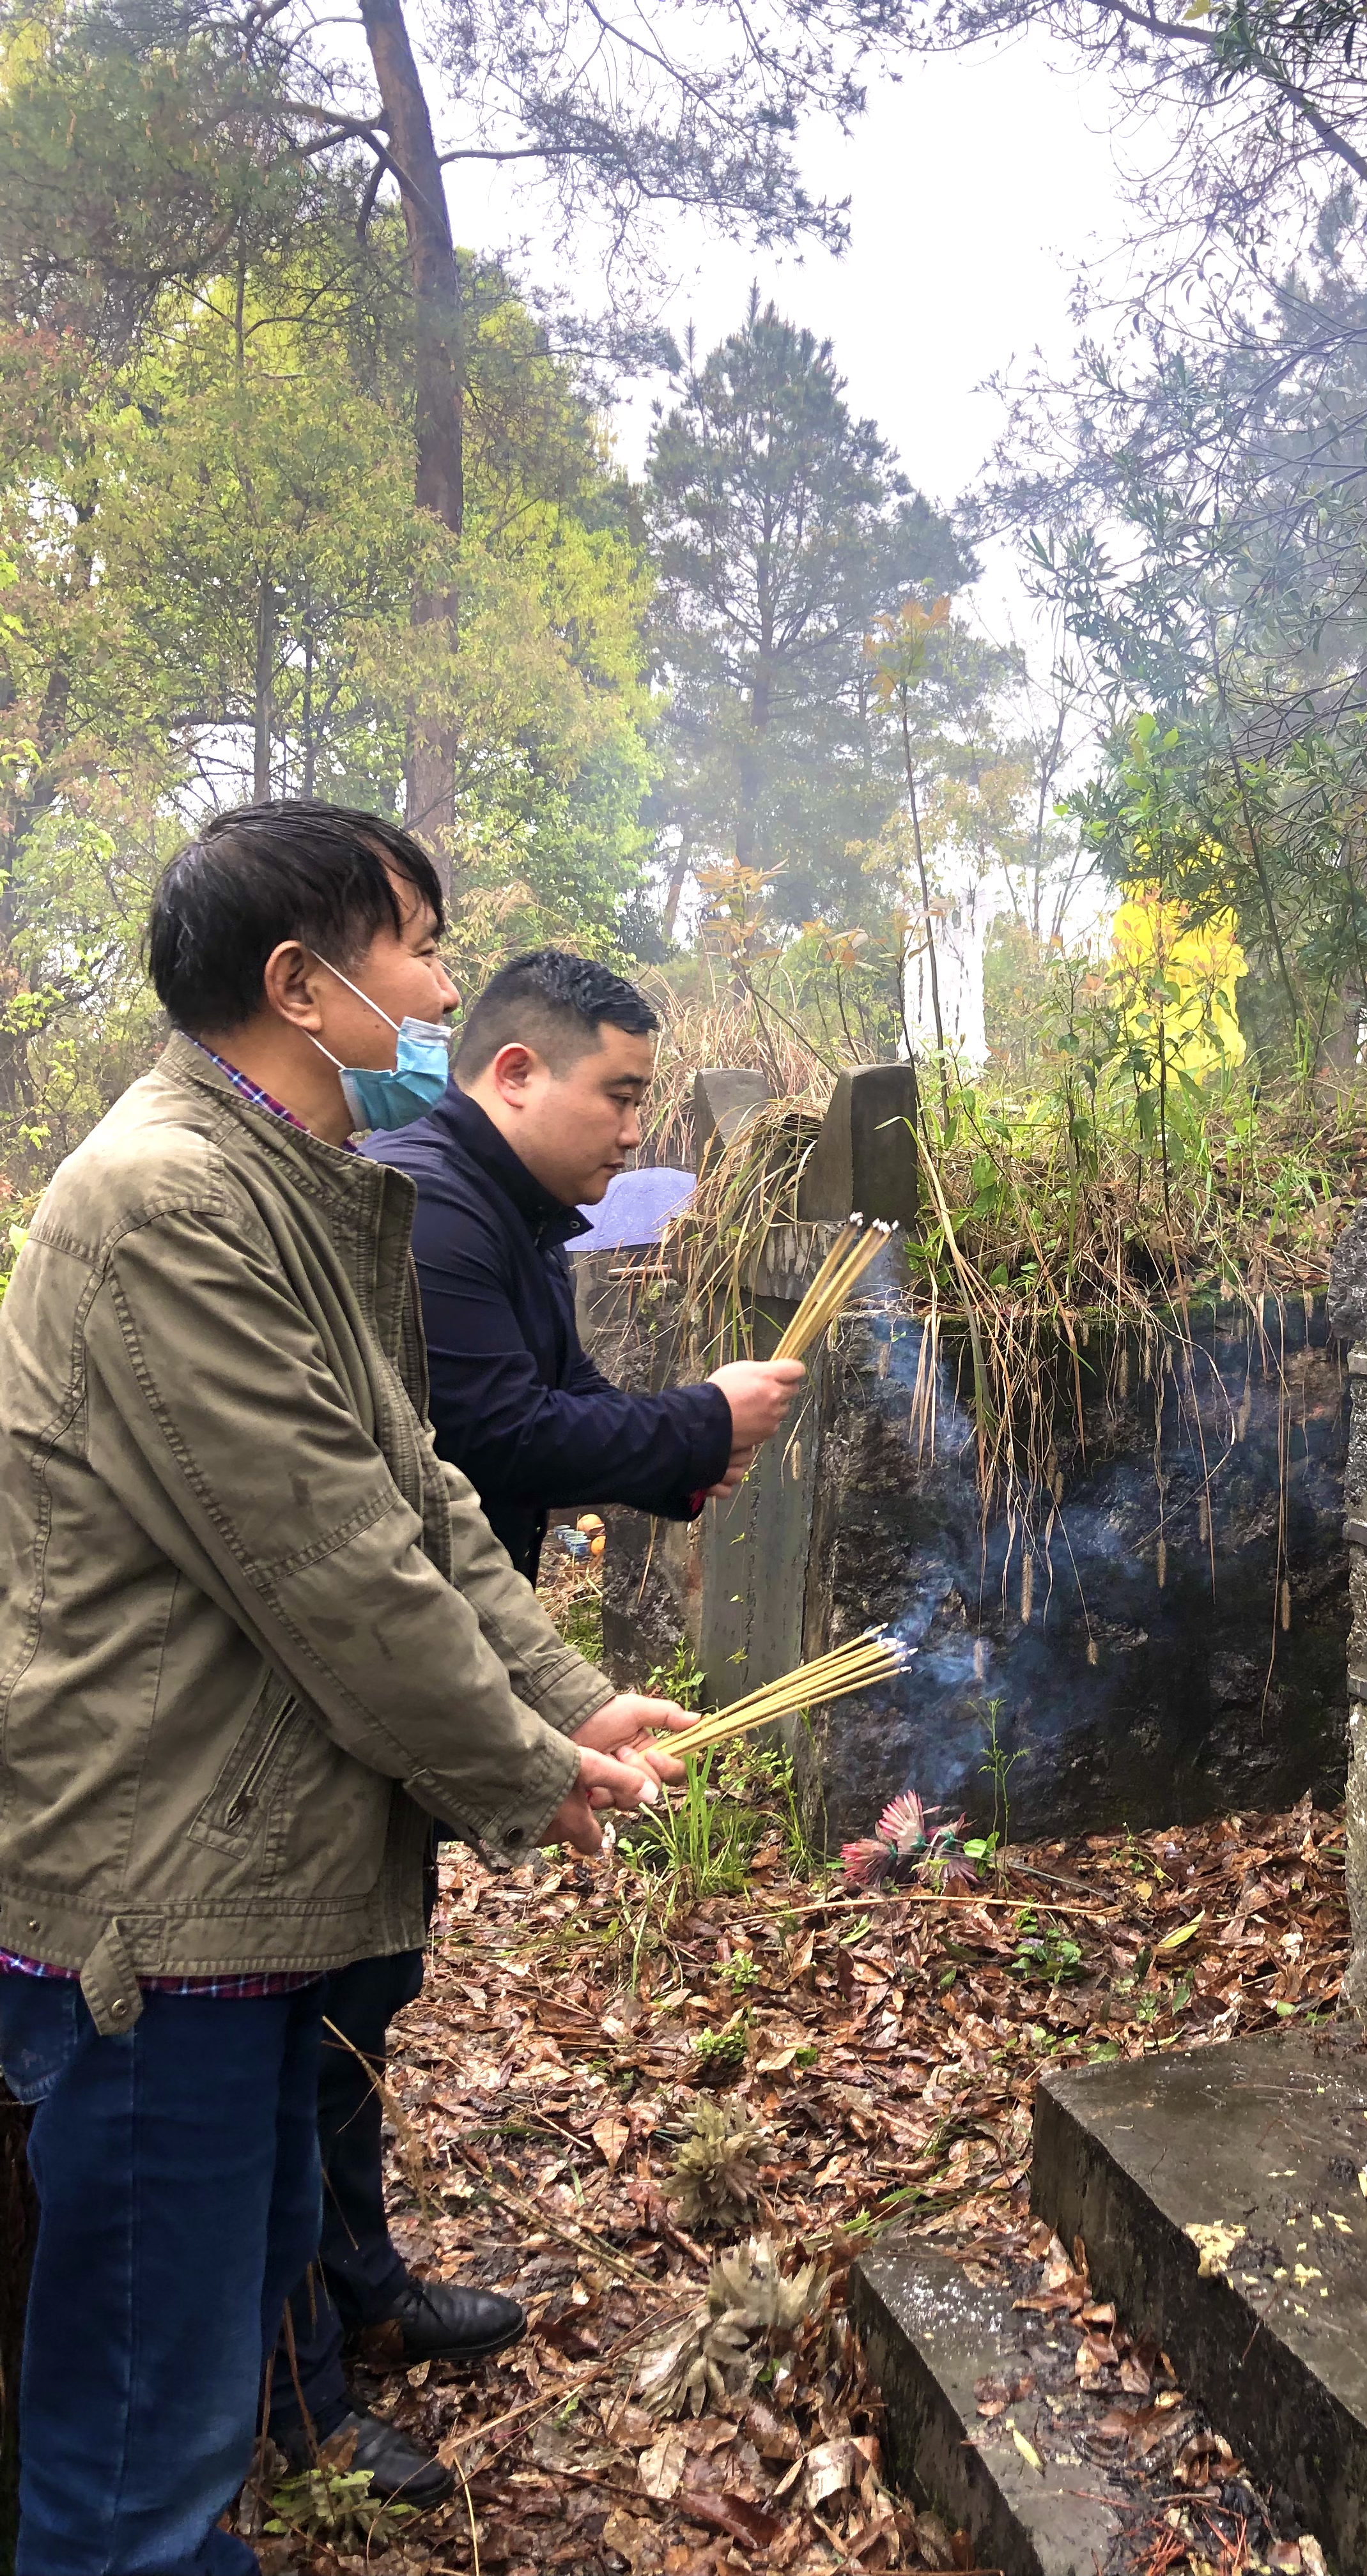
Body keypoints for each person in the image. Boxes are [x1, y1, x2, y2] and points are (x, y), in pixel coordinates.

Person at [0, 801, 682, 2575]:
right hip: (163, 1889)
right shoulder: (164, 1203)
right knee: (138, 2433)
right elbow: (329, 1565)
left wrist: (564, 1699)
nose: (443, 992)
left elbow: (422, 1497)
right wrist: (524, 1772)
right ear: (303, 986)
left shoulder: (300, 1188)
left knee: (228, 2303)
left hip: (260, 1866)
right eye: (422, 953)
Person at [270, 948, 804, 2489]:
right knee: (314, 2031)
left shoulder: (508, 1215)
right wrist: (695, 1421)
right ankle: (297, 2393)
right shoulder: (427, 1209)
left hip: (450, 1647)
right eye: (619, 1092)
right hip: (376, 1672)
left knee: (365, 2000)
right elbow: (485, 1434)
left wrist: (673, 1454)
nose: (636, 1127)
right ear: (514, 1073)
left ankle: (359, 2289)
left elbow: (553, 1407)